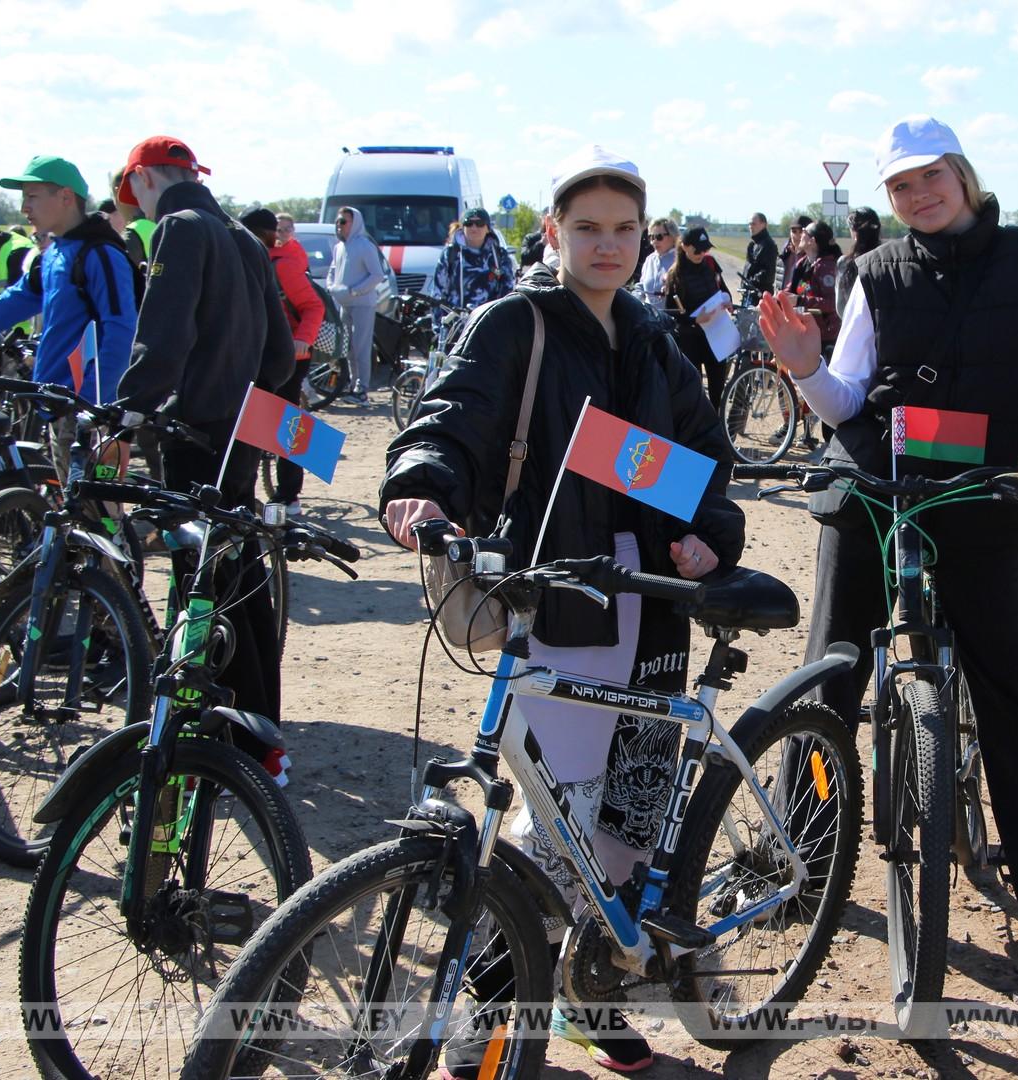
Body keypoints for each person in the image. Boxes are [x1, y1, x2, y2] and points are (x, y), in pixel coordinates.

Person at [382, 143, 742, 1074]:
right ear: (553, 232)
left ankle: (600, 995)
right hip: (563, 594)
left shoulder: (658, 337)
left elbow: (705, 456)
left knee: (629, 810)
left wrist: (713, 532)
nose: (608, 245)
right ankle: (499, 1012)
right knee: (552, 816)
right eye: (587, 227)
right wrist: (423, 484)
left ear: (644, 236)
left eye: (625, 228)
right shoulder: (515, 322)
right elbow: (450, 418)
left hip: (655, 603)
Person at [758, 115, 1018, 968]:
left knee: (1011, 691)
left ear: (963, 173)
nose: (917, 196)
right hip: (878, 493)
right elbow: (846, 401)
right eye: (899, 186)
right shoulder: (875, 271)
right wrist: (807, 368)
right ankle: (802, 854)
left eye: (930, 178)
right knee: (831, 675)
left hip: (985, 496)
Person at [111, 134, 292, 729]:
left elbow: (162, 335)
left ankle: (212, 718)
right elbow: (279, 357)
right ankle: (256, 713)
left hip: (196, 428)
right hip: (241, 425)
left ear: (142, 179)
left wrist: (127, 413)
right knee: (239, 571)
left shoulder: (181, 226)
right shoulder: (241, 234)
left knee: (202, 578)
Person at [0, 155, 136, 480]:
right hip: (58, 407)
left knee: (101, 519)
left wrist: (96, 408)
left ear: (65, 197)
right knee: (76, 519)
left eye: (32, 196)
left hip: (89, 414)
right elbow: (14, 301)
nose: (25, 207)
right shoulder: (52, 253)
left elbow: (121, 330)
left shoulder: (101, 254)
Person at [241, 207, 322, 517]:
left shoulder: (283, 266)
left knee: (287, 421)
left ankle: (290, 495)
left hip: (290, 353)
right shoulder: (247, 260)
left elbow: (313, 306)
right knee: (262, 419)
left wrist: (303, 339)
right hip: (261, 351)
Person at [661, 224, 733, 411]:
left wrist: (727, 300)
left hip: (716, 336)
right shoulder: (674, 275)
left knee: (718, 390)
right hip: (690, 340)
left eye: (705, 249)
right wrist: (694, 320)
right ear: (684, 246)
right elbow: (670, 313)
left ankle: (717, 432)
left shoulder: (710, 264)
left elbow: (723, 289)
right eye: (697, 249)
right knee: (694, 392)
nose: (702, 253)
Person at [325, 204, 383, 405]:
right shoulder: (339, 247)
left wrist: (354, 290)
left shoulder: (365, 246)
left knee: (361, 346)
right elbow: (333, 270)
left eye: (343, 222)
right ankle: (353, 384)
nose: (339, 226)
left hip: (363, 304)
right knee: (348, 347)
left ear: (354, 223)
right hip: (344, 304)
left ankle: (363, 389)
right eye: (337, 221)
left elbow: (377, 274)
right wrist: (332, 286)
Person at [432, 207, 516, 311]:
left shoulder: (499, 255)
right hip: (456, 322)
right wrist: (438, 325)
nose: (474, 227)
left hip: (490, 321)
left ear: (488, 228)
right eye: (469, 223)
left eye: (480, 223)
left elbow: (508, 288)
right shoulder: (450, 253)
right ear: (463, 227)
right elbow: (438, 293)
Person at [790, 219, 841, 352]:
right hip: (806, 331)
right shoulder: (803, 264)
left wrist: (801, 301)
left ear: (812, 241)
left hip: (825, 337)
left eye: (804, 232)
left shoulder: (826, 267)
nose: (800, 234)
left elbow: (833, 303)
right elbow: (792, 290)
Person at [836, 205, 881, 315]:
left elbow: (840, 306)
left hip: (854, 324)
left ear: (854, 232)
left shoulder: (845, 262)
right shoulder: (889, 259)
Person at [637, 217, 676, 309]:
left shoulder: (681, 260)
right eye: (651, 237)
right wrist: (636, 298)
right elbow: (641, 286)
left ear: (672, 236)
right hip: (648, 318)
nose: (654, 241)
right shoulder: (649, 259)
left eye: (659, 237)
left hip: (671, 319)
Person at [743, 211, 777, 299]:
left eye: (753, 224)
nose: (750, 227)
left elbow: (768, 274)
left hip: (761, 296)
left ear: (764, 225)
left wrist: (750, 282)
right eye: (749, 224)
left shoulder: (769, 245)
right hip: (750, 293)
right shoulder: (752, 244)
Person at [777, 213, 812, 292]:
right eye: (794, 231)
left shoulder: (812, 259)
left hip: (802, 302)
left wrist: (798, 296)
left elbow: (809, 286)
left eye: (801, 232)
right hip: (782, 301)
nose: (797, 235)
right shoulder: (784, 256)